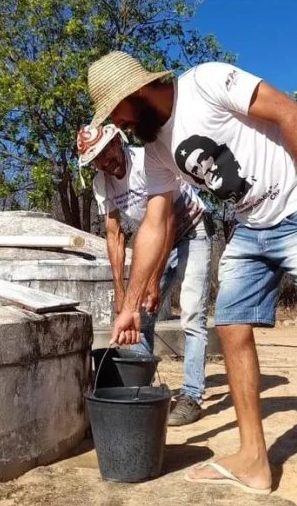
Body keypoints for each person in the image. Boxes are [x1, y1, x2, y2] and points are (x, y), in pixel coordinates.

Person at [84, 51, 297, 506]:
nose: (120, 125)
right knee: (231, 327)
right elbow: (154, 223)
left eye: (118, 114)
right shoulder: (153, 151)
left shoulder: (207, 82)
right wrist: (130, 303)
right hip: (248, 228)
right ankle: (254, 459)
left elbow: (293, 114)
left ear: (135, 94)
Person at [77, 123, 212, 425]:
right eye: (96, 158)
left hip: (191, 229)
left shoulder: (146, 161)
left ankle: (192, 396)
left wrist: (153, 281)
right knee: (139, 312)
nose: (105, 160)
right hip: (155, 234)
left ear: (118, 142)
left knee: (192, 313)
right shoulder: (103, 183)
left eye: (107, 150)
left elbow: (167, 219)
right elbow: (115, 237)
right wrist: (122, 293)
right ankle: (139, 388)